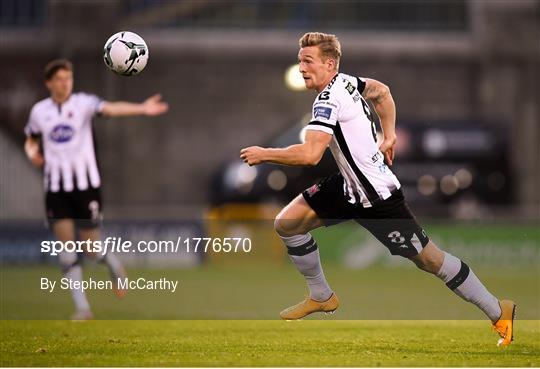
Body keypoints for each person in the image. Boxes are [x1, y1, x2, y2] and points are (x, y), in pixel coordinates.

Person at [240, 32, 515, 346]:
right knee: (287, 224)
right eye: (300, 60)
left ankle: (498, 310)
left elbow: (310, 154)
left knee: (430, 260)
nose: (301, 67)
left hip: (378, 198)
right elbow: (381, 92)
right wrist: (390, 135)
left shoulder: (329, 98)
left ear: (329, 64)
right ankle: (321, 296)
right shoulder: (347, 82)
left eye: (308, 61)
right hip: (348, 188)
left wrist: (265, 154)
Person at [24, 59, 169, 320]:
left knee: (91, 249)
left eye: (68, 78)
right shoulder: (39, 112)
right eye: (59, 79)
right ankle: (82, 308)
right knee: (66, 249)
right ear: (49, 83)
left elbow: (111, 108)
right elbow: (31, 140)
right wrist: (32, 152)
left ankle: (112, 263)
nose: (65, 83)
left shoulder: (82, 104)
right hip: (55, 187)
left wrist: (142, 108)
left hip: (86, 186)